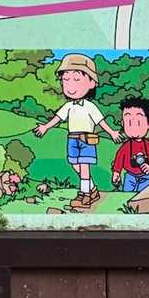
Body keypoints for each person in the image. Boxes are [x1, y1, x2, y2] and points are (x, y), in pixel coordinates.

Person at [32, 53, 121, 209]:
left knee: (84, 167)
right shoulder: (68, 106)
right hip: (72, 139)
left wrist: (112, 132)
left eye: (76, 80)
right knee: (75, 165)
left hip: (86, 139)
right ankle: (92, 190)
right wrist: (45, 127)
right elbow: (58, 118)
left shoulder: (90, 106)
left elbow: (100, 121)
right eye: (66, 80)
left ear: (92, 83)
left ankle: (84, 195)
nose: (70, 85)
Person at [111, 96, 149, 193]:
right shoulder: (125, 147)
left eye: (138, 122)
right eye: (129, 123)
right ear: (123, 124)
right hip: (130, 177)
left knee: (145, 196)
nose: (133, 127)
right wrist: (116, 172)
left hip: (147, 177)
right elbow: (119, 159)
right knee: (127, 195)